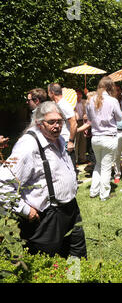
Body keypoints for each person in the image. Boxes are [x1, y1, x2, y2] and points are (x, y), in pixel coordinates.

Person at [0, 101, 87, 259]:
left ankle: (76, 278)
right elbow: (3, 184)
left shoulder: (59, 139)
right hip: (47, 217)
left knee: (76, 255)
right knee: (46, 262)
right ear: (39, 123)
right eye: (51, 122)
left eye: (59, 121)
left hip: (71, 210)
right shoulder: (28, 146)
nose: (57, 126)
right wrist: (26, 211)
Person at [85, 76, 122, 201]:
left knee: (98, 165)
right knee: (106, 167)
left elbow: (89, 118)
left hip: (96, 137)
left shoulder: (91, 100)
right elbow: (119, 118)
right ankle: (104, 194)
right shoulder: (113, 101)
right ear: (110, 87)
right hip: (108, 137)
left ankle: (93, 191)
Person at [47, 83, 77, 168]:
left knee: (70, 168)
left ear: (52, 92)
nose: (48, 94)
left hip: (66, 141)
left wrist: (71, 141)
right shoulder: (58, 104)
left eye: (48, 92)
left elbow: (74, 123)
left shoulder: (64, 105)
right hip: (60, 140)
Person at [74, 89, 87, 165]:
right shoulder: (72, 103)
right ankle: (75, 160)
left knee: (83, 141)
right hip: (75, 122)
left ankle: (83, 158)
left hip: (83, 122)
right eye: (77, 94)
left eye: (80, 94)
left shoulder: (84, 102)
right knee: (76, 141)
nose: (78, 96)